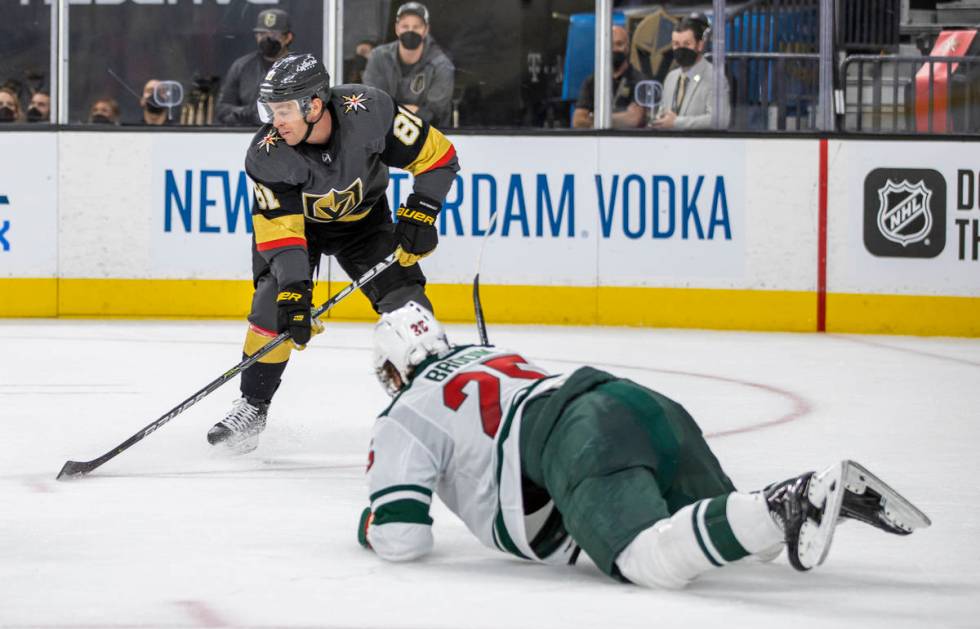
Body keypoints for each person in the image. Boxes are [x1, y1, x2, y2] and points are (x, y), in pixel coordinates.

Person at [357, 303, 931, 588]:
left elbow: (402, 538)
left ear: (392, 368)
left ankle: (790, 499)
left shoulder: (401, 413)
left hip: (575, 437)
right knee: (749, 547)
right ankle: (813, 500)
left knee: (647, 560)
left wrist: (370, 524)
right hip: (630, 397)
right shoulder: (491, 354)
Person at [206, 53, 459, 453]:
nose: (276, 121)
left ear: (315, 104)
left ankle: (437, 401)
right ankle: (253, 406)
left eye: (285, 110)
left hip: (364, 223)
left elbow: (439, 156)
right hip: (298, 232)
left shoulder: (370, 110)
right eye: (271, 110)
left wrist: (422, 211)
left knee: (406, 301)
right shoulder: (266, 153)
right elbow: (280, 233)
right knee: (273, 306)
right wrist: (293, 289)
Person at [362, 2, 455, 128]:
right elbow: (373, 104)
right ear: (396, 28)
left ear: (426, 30)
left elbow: (433, 116)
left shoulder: (442, 65)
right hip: (385, 134)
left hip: (430, 138)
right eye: (405, 26)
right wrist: (413, 110)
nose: (410, 31)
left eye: (416, 27)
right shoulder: (378, 57)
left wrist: (393, 109)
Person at [215, 8, 294, 127]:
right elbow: (222, 108)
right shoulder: (241, 66)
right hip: (246, 136)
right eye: (262, 34)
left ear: (288, 37)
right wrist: (245, 112)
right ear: (256, 36)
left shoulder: (299, 67)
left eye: (274, 34)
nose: (267, 39)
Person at [652, 13, 731, 130]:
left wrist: (677, 123)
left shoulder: (715, 78)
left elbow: (721, 120)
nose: (681, 49)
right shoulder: (671, 77)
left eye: (686, 44)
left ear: (700, 45)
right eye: (676, 44)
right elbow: (664, 111)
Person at [572, 25, 646, 129]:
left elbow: (634, 120)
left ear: (628, 48)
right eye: (610, 44)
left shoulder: (639, 81)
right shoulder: (592, 81)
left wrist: (593, 118)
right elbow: (577, 121)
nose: (614, 49)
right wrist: (622, 117)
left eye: (619, 44)